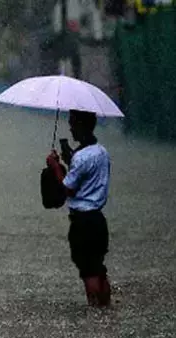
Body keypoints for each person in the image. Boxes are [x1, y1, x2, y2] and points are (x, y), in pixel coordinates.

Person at [46, 109, 111, 307]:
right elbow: (87, 173)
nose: (70, 128)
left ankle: (95, 315)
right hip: (98, 220)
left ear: (81, 125)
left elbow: (68, 189)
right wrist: (70, 160)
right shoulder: (101, 151)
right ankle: (106, 312)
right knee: (98, 267)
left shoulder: (81, 158)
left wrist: (55, 167)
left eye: (73, 123)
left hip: (82, 222)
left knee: (87, 269)